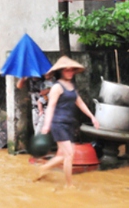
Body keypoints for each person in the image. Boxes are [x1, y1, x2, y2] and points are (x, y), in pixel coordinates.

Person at [35, 56, 99, 187]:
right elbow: (51, 106)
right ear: (61, 71)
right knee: (69, 154)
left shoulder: (71, 86)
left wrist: (92, 117)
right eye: (66, 70)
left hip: (69, 124)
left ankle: (42, 169)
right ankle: (69, 185)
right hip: (58, 124)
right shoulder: (56, 87)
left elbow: (79, 102)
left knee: (63, 155)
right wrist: (46, 125)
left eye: (71, 70)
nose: (69, 72)